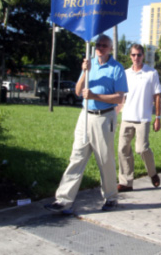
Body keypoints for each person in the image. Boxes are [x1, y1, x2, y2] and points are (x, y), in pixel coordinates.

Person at [45, 34, 128, 214]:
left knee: (105, 160)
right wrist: (85, 73)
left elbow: (120, 97)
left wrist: (95, 96)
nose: (100, 47)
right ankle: (63, 200)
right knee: (76, 157)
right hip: (85, 116)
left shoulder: (117, 68)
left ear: (111, 48)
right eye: (98, 44)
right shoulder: (89, 64)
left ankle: (111, 198)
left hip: (104, 117)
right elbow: (77, 90)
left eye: (104, 45)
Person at [117, 44, 161, 193]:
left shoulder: (151, 73)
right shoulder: (125, 73)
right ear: (130, 56)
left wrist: (158, 117)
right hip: (127, 117)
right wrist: (115, 113)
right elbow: (121, 97)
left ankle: (152, 173)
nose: (136, 58)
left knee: (142, 149)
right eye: (133, 55)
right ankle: (126, 182)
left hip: (143, 118)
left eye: (139, 55)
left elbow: (157, 96)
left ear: (143, 56)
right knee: (123, 149)